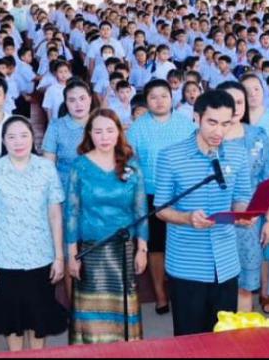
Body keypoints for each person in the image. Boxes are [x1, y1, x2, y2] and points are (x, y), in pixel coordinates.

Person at [154, 90, 254, 336]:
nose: (218, 131)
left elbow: (241, 197)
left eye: (225, 124)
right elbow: (161, 209)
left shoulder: (238, 154)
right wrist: (187, 218)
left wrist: (243, 214)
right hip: (187, 263)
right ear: (196, 118)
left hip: (226, 262)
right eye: (212, 122)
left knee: (224, 338)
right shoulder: (170, 156)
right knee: (189, 340)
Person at [0, 116, 67, 352]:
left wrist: (59, 257)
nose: (18, 142)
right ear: (3, 141)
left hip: (41, 256)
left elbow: (55, 215)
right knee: (12, 323)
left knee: (39, 321)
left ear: (33, 138)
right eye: (12, 137)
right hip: (4, 259)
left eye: (24, 135)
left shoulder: (46, 168)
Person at [66, 109, 148, 344]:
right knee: (91, 315)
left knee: (123, 312)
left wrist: (142, 249)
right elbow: (71, 213)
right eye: (98, 131)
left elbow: (141, 211)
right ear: (89, 134)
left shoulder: (132, 166)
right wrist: (72, 254)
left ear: (119, 133)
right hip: (91, 250)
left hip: (123, 249)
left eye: (110, 130)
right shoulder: (80, 166)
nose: (104, 137)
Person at [125, 79, 196, 315]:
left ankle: (181, 292)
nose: (159, 101)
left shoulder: (186, 124)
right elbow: (130, 162)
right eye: (153, 97)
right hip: (151, 194)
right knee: (156, 246)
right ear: (146, 101)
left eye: (164, 96)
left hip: (182, 193)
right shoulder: (137, 128)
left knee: (183, 243)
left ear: (172, 98)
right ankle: (160, 295)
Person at [217, 82, 269, 313]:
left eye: (239, 102)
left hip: (249, 222)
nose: (234, 108)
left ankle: (242, 332)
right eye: (228, 102)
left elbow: (267, 181)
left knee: (245, 286)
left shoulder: (258, 136)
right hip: (216, 221)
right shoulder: (208, 138)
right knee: (218, 286)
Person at [241, 73, 269, 314]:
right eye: (246, 90)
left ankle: (265, 292)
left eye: (256, 89)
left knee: (267, 241)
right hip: (243, 190)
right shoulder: (236, 119)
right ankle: (245, 292)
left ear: (264, 91)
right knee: (245, 242)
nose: (252, 94)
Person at [42, 78, 96, 192]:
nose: (78, 104)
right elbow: (48, 165)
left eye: (82, 98)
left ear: (90, 99)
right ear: (66, 103)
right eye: (72, 100)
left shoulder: (100, 123)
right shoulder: (56, 126)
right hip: (65, 186)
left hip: (97, 186)